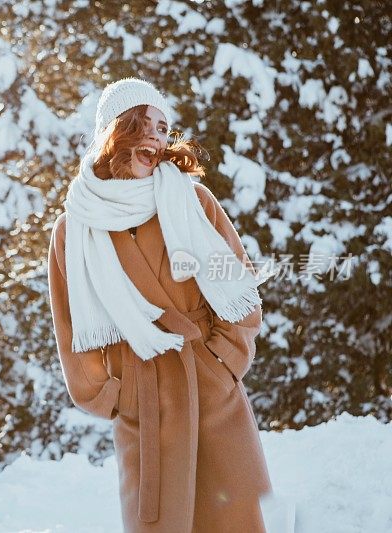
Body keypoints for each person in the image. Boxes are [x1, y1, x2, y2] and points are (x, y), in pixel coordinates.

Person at [46, 77, 274, 532]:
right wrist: (113, 395)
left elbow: (240, 289)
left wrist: (224, 361)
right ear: (115, 132)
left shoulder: (193, 201)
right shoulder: (73, 231)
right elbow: (73, 334)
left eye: (163, 127)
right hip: (145, 407)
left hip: (209, 391)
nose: (156, 134)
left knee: (233, 519)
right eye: (142, 123)